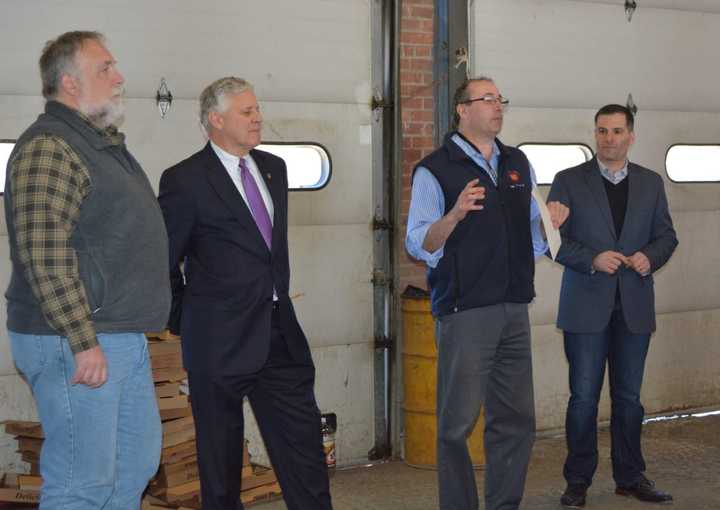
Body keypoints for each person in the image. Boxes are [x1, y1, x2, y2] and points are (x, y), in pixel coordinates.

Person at [4, 31, 170, 509]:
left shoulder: (98, 144)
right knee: (83, 482)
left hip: (118, 335)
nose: (119, 78)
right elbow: (45, 252)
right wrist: (82, 340)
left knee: (133, 465)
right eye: (105, 68)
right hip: (77, 338)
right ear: (70, 82)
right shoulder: (51, 147)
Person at [158, 77, 332, 510]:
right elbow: (163, 262)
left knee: (305, 453)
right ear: (215, 120)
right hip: (218, 343)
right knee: (220, 467)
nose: (258, 119)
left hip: (279, 335)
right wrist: (187, 317)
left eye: (257, 110)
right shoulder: (185, 180)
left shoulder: (274, 168)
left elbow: (271, 253)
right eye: (247, 112)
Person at [405, 77, 568, 510]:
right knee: (455, 426)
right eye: (488, 99)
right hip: (464, 312)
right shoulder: (435, 169)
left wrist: (550, 221)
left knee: (516, 422)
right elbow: (418, 244)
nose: (498, 107)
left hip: (514, 307)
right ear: (462, 109)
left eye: (501, 100)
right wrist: (455, 214)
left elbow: (532, 238)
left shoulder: (518, 163)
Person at [548, 104, 678, 508]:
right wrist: (591, 259)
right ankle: (577, 481)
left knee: (628, 399)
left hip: (634, 306)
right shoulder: (568, 182)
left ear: (631, 136)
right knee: (583, 398)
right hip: (586, 305)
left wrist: (649, 258)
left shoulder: (652, 183)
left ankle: (630, 476)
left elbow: (667, 236)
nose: (609, 139)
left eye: (617, 131)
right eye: (602, 131)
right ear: (595, 134)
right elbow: (554, 242)